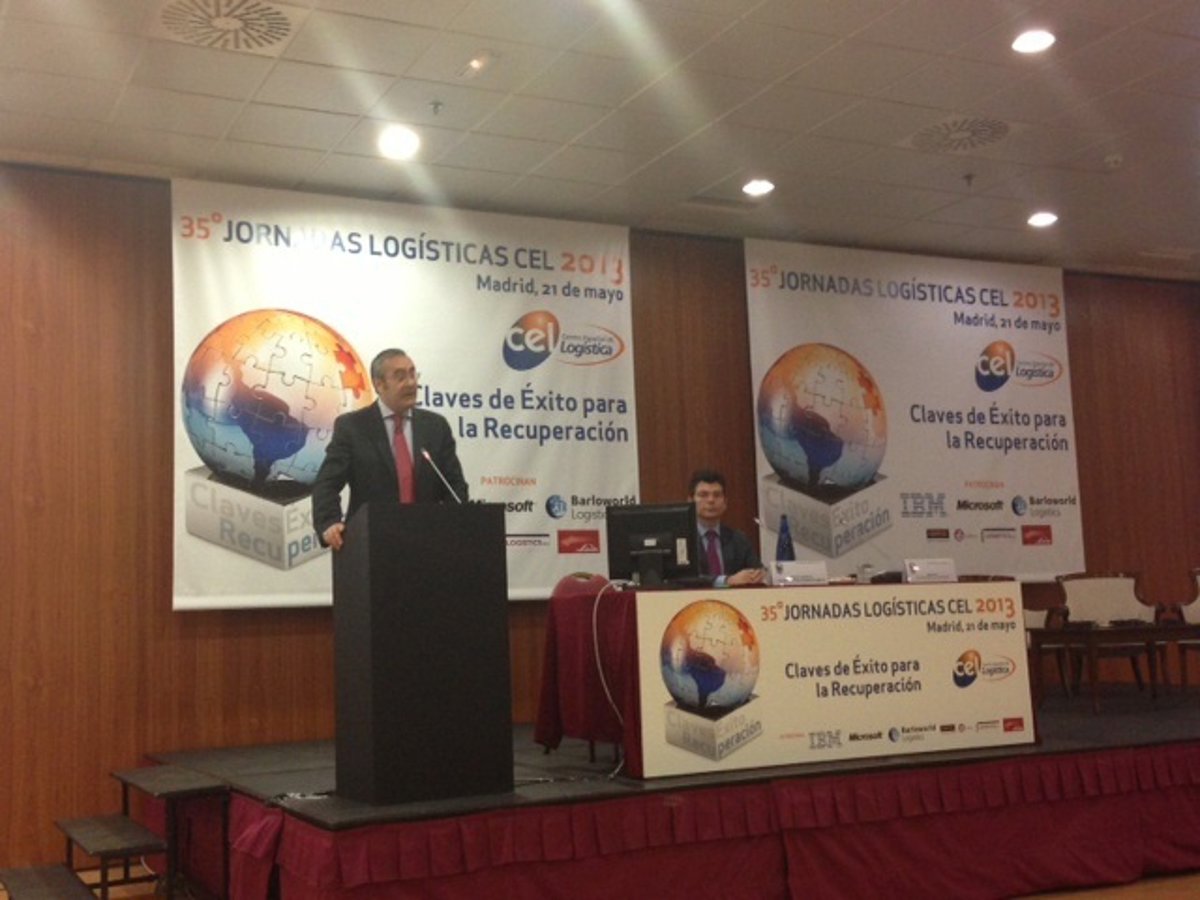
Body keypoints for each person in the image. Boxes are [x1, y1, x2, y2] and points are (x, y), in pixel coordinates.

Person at [311, 348, 468, 550]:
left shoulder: (435, 426)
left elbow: (454, 485)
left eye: (413, 374)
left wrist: (456, 526)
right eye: (400, 377)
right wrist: (329, 522)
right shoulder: (353, 427)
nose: (411, 383)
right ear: (379, 384)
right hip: (371, 543)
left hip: (427, 543)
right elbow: (327, 482)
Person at [689, 468, 765, 586]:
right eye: (703, 495)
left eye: (717, 495)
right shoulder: (682, 540)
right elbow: (681, 579)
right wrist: (726, 581)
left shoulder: (738, 539)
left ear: (725, 502)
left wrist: (757, 575)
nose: (711, 500)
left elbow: (756, 570)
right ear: (690, 501)